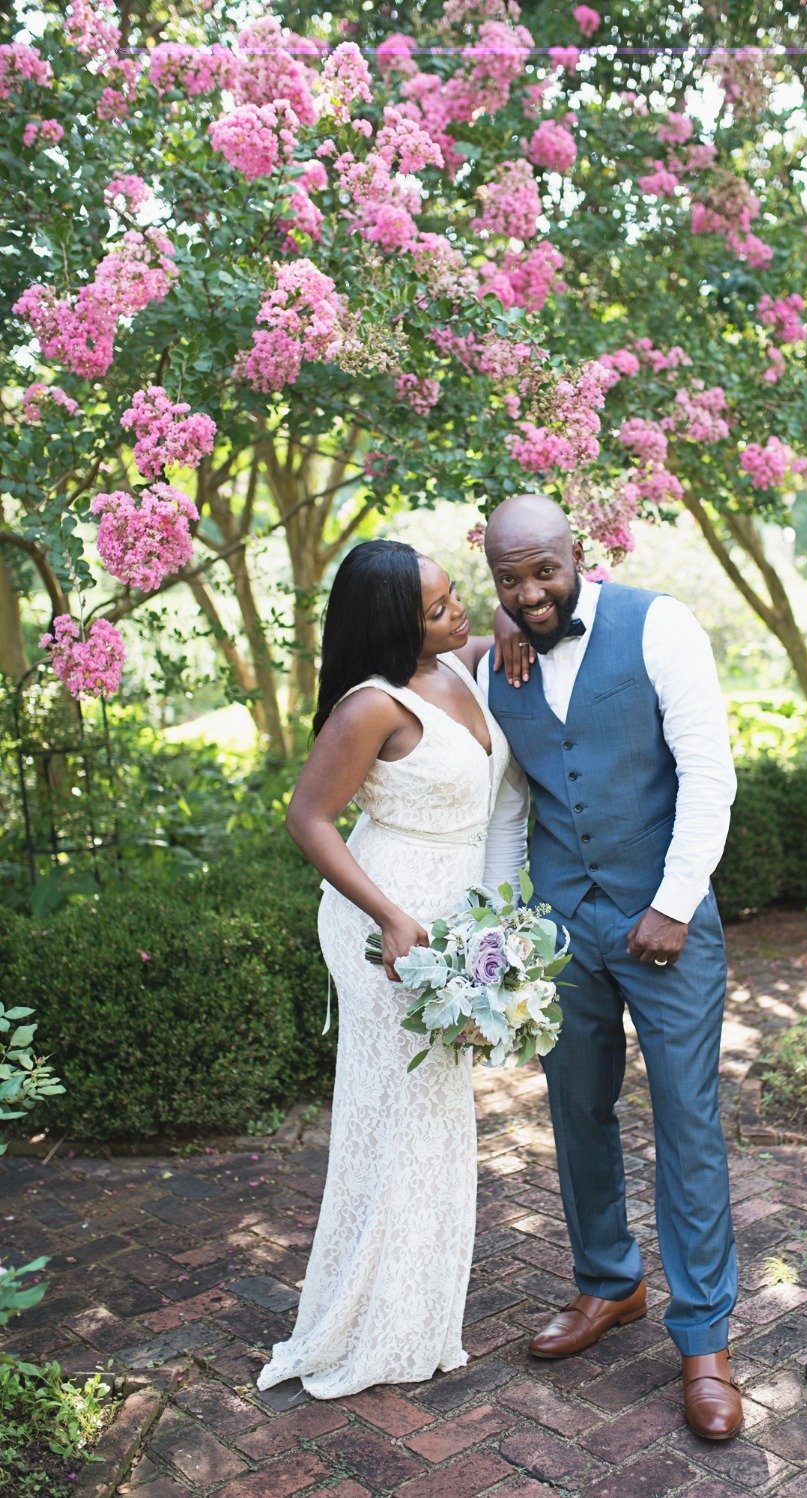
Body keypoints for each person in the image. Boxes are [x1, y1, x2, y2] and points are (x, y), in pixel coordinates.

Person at [478, 494, 742, 1442]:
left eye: (544, 571)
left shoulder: (660, 625)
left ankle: (705, 1340)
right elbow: (510, 809)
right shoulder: (494, 663)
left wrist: (673, 902)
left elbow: (708, 770)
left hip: (661, 918)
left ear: (574, 553)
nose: (531, 591)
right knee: (576, 1115)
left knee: (687, 1120)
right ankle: (607, 1285)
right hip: (561, 929)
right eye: (510, 579)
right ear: (493, 577)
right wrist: (502, 933)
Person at [258, 538, 529, 1400]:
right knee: (396, 1117)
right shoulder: (370, 707)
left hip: (453, 923)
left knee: (435, 1119)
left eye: (457, 598)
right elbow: (308, 818)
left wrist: (495, 623)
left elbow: (498, 633)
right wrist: (389, 915)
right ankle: (369, 1320)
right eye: (443, 605)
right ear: (394, 627)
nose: (461, 610)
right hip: (389, 931)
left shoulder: (456, 664)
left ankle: (416, 1312)